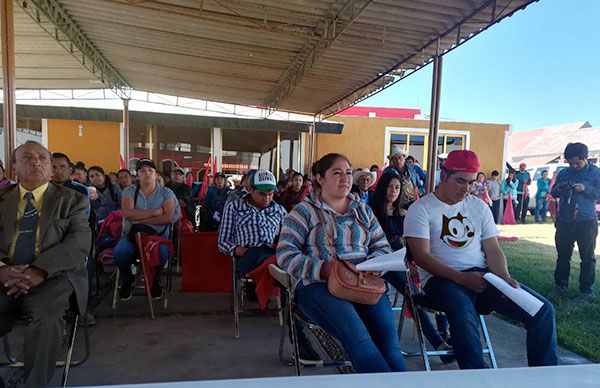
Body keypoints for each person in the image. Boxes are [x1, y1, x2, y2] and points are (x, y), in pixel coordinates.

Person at [404, 150, 557, 370]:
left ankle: (545, 377)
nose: (466, 188)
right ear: (443, 176)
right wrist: (462, 279)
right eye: (460, 181)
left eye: (471, 182)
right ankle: (477, 376)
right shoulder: (421, 209)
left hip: (483, 275)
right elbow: (422, 257)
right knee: (462, 309)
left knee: (542, 311)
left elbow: (492, 248)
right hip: (440, 279)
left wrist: (503, 277)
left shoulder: (479, 206)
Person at [277, 153, 409, 373]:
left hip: (364, 284)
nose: (345, 179)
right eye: (336, 173)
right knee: (360, 340)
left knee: (391, 346)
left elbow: (382, 246)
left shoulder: (363, 211)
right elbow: (285, 253)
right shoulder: (303, 212)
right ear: (320, 178)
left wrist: (375, 265)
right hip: (319, 286)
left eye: (348, 173)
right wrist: (324, 269)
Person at [0, 141, 90, 387]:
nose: (35, 162)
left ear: (51, 169)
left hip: (52, 277)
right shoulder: (2, 199)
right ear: (14, 168)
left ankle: (34, 384)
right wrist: (2, 270)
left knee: (48, 317)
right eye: (27, 157)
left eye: (42, 158)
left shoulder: (72, 200)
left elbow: (79, 242)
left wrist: (38, 270)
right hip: (4, 276)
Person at [369, 172, 452, 361]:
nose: (393, 191)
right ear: (382, 187)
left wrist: (412, 262)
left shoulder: (404, 213)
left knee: (438, 278)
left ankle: (443, 332)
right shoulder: (370, 211)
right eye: (390, 187)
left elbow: (411, 244)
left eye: (397, 188)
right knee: (411, 291)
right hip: (381, 262)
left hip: (404, 262)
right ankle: (438, 342)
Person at [114, 158, 179, 300]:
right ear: (137, 175)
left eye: (150, 170)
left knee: (163, 253)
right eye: (142, 171)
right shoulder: (129, 192)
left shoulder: (167, 193)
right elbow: (128, 214)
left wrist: (140, 219)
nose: (147, 173)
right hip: (131, 237)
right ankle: (128, 278)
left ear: (156, 174)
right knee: (120, 252)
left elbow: (168, 217)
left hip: (157, 238)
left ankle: (155, 279)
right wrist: (156, 212)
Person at [550, 143, 600, 304]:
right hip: (565, 219)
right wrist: (559, 187)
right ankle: (560, 286)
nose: (573, 166)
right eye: (570, 162)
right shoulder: (564, 173)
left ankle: (586, 291)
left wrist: (585, 188)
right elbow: (553, 193)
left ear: (585, 158)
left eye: (576, 163)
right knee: (563, 255)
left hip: (586, 220)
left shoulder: (596, 173)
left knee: (587, 257)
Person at [218, 169, 286, 274]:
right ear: (250, 189)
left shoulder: (279, 210)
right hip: (248, 255)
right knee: (264, 259)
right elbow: (223, 242)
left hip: (272, 253)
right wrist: (240, 250)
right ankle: (272, 268)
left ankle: (271, 268)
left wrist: (280, 245)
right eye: (262, 194)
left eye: (270, 194)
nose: (267, 199)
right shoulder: (235, 207)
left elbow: (289, 238)